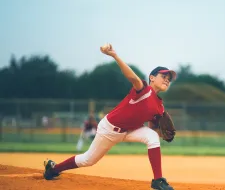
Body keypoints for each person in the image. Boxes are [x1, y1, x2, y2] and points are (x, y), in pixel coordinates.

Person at [43, 43, 177, 190]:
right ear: (152, 77)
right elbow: (133, 78)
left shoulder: (160, 106)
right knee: (88, 160)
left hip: (131, 130)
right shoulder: (144, 90)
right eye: (163, 76)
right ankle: (53, 169)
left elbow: (153, 126)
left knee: (152, 137)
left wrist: (159, 133)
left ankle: (158, 180)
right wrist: (114, 55)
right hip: (109, 129)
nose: (166, 80)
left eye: (169, 79)